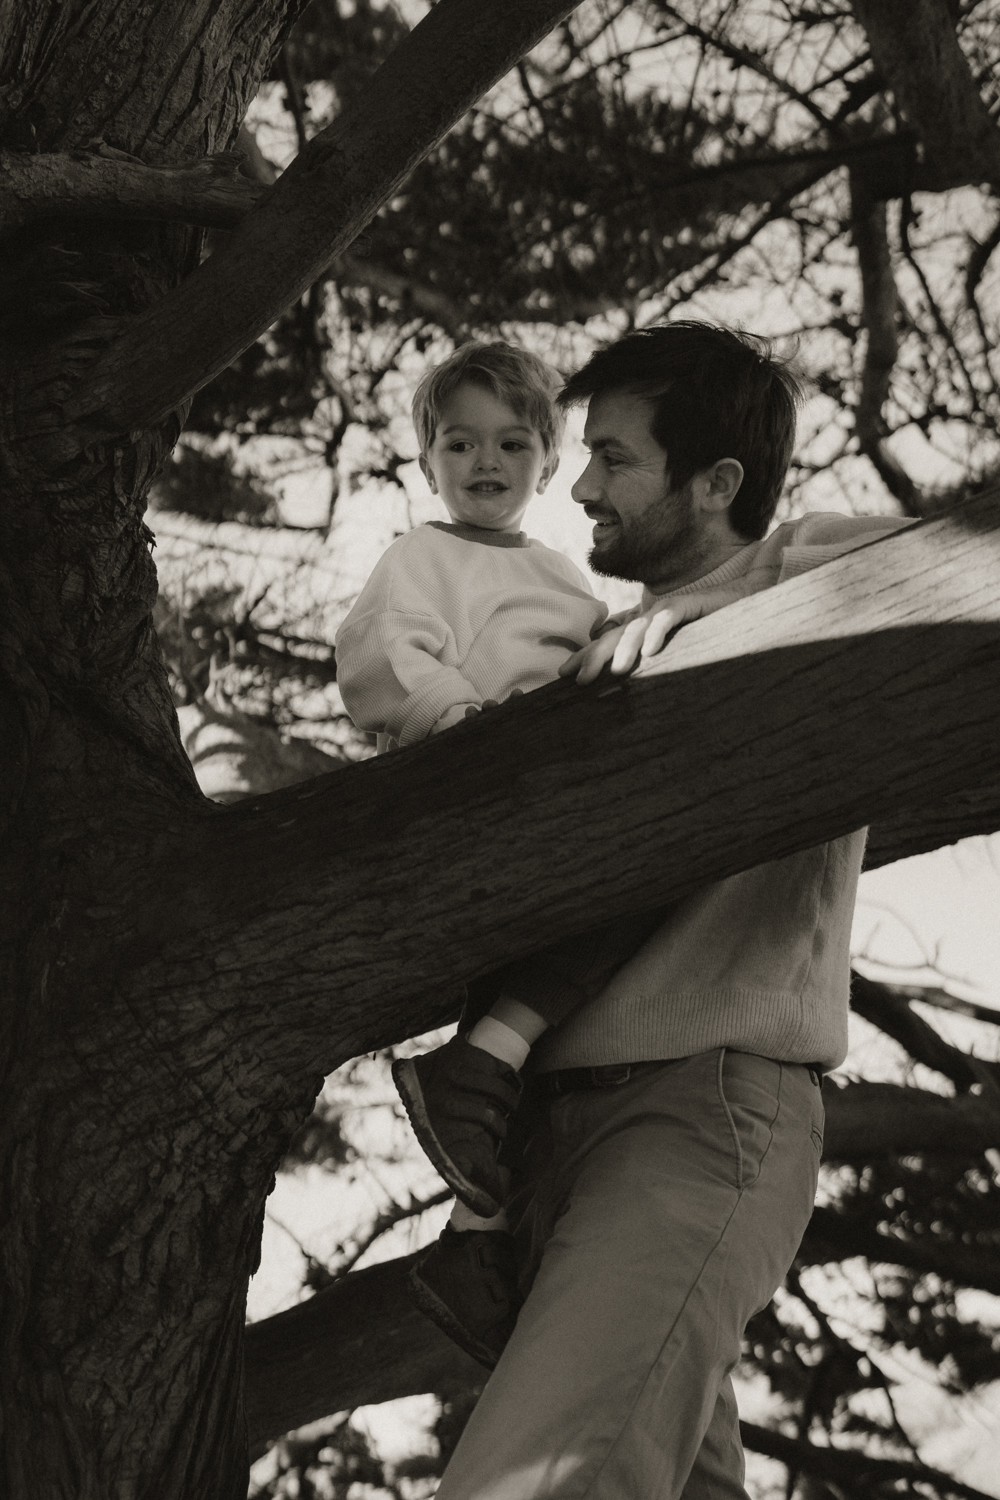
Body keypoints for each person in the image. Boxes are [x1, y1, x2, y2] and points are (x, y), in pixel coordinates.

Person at [426, 321, 910, 1500]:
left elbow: (954, 562)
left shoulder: (804, 569)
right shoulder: (591, 645)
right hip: (553, 1148)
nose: (577, 485)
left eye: (611, 458)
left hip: (696, 1119)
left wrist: (716, 618)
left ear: (718, 483)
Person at [335, 341, 669, 1365]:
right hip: (465, 776)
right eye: (460, 442)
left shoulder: (562, 578)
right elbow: (386, 655)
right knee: (602, 904)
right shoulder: (419, 560)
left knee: (565, 962)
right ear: (427, 459)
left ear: (545, 457)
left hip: (545, 790)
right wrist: (461, 724)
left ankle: (473, 1239)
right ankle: (479, 1074)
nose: (486, 461)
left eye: (513, 443)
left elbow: (587, 662)